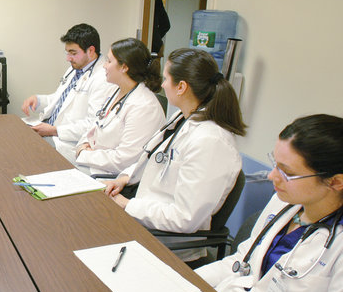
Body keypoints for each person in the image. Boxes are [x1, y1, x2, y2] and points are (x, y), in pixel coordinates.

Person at [196, 114, 343, 292]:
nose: (273, 175)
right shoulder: (286, 202)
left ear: (336, 182)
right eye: (276, 164)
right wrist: (189, 282)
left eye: (288, 172)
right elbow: (242, 262)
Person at [104, 48, 246, 262]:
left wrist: (128, 205)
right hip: (145, 220)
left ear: (181, 87)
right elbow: (152, 156)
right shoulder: (183, 118)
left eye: (166, 79)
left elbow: (185, 218)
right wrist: (126, 177)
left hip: (167, 245)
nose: (161, 85)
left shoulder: (211, 141)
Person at [20, 24, 117, 160]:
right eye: (67, 53)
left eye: (73, 53)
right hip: (50, 129)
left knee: (23, 147)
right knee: (15, 130)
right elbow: (60, 99)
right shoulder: (76, 68)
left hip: (67, 140)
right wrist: (38, 99)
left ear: (91, 50)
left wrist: (54, 130)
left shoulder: (102, 78)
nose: (68, 58)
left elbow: (93, 125)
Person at [73, 38, 165, 176]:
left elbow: (123, 160)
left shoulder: (144, 106)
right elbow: (95, 125)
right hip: (93, 163)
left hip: (111, 177)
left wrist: (84, 154)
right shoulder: (115, 90)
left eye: (109, 61)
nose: (104, 65)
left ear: (124, 67)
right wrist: (82, 145)